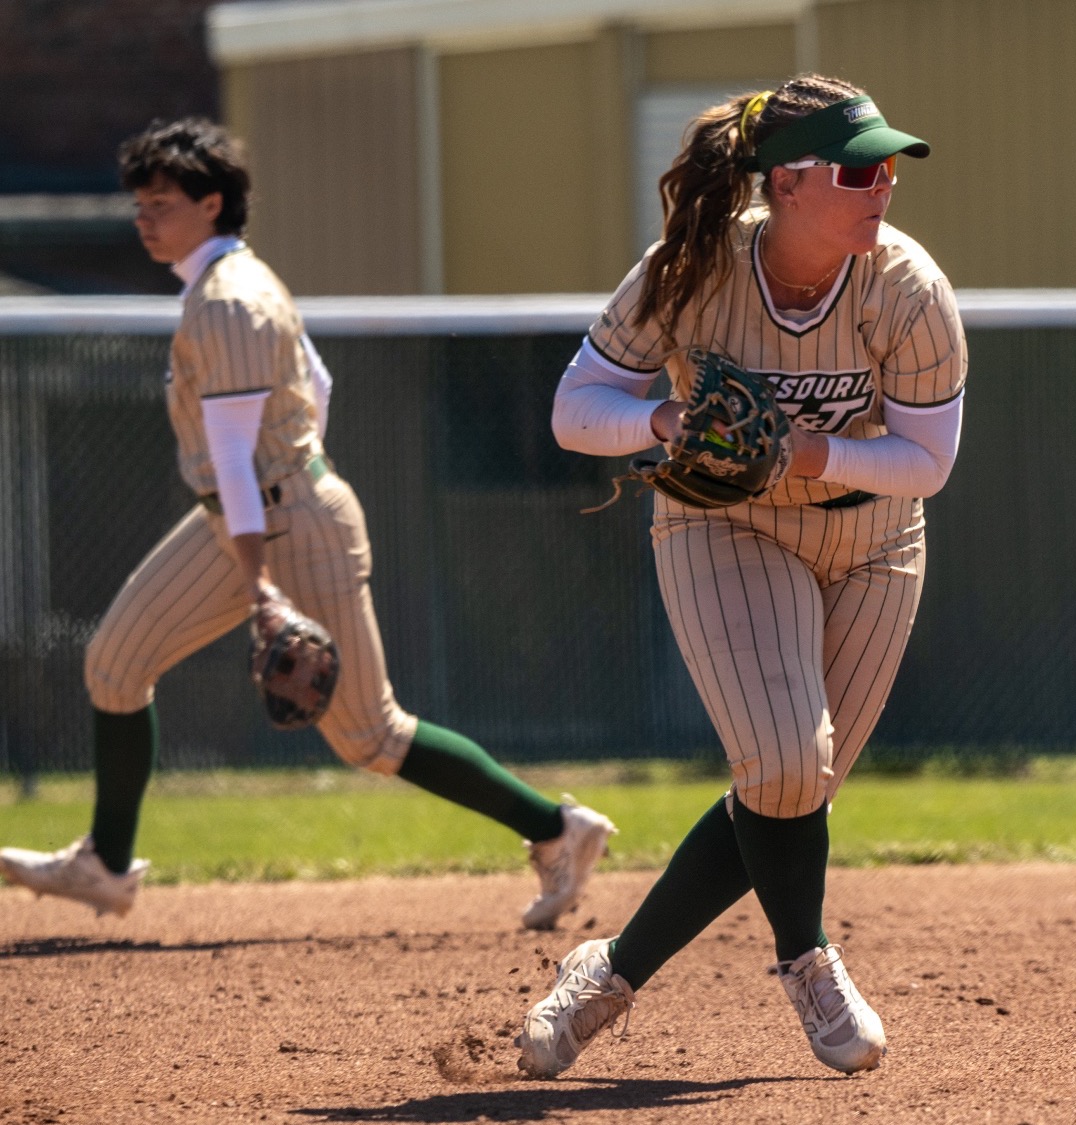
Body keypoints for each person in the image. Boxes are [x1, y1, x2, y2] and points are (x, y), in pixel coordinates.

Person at [0, 118, 615, 930]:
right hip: (255, 514)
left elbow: (232, 458)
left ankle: (557, 829)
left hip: (280, 525)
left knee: (369, 733)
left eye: (161, 202)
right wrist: (286, 482)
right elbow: (315, 388)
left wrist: (259, 577)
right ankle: (106, 866)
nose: (143, 217)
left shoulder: (230, 303)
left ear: (211, 202)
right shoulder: (236, 284)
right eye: (139, 202)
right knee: (115, 662)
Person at [517, 75, 966, 1079]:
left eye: (890, 163)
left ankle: (607, 970)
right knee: (782, 764)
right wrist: (662, 421)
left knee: (789, 786)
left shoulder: (905, 286)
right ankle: (805, 959)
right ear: (788, 181)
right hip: (730, 528)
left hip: (877, 541)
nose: (883, 183)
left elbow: (926, 462)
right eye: (860, 168)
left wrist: (809, 454)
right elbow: (576, 406)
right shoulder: (690, 271)